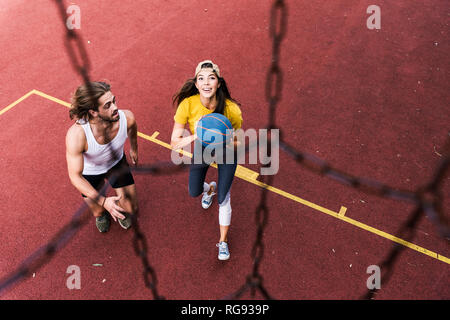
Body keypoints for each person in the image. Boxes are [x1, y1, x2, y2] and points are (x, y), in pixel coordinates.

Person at [170, 60, 243, 260]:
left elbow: (241, 143)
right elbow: (175, 142)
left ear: (219, 83)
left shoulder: (231, 110)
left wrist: (225, 139)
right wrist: (198, 135)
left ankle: (223, 242)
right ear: (196, 84)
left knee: (223, 197)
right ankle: (208, 189)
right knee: (194, 191)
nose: (206, 82)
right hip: (202, 146)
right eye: (201, 78)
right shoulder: (188, 105)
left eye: (211, 77)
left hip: (227, 150)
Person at [65, 81, 139, 233]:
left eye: (114, 101)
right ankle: (102, 214)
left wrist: (134, 148)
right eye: (107, 105)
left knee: (132, 208)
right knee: (98, 211)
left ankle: (118, 210)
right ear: (93, 112)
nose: (115, 107)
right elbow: (75, 177)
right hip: (90, 173)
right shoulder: (77, 135)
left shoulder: (127, 118)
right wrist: (103, 202)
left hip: (117, 163)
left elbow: (133, 129)